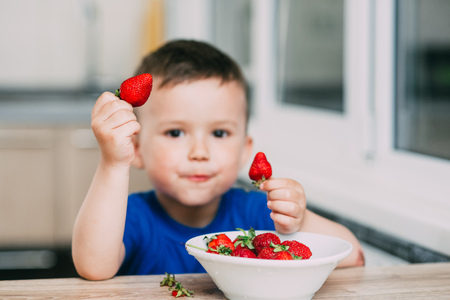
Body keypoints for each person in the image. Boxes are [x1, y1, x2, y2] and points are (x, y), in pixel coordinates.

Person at [72, 40, 364, 280]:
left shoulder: (258, 213)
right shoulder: (132, 216)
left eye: (220, 133)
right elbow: (93, 267)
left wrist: (299, 222)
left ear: (244, 150)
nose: (200, 151)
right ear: (136, 148)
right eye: (175, 132)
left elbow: (353, 256)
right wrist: (113, 164)